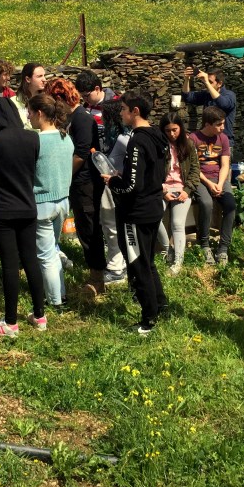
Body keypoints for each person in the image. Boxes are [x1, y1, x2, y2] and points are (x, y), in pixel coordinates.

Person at [0, 98, 48, 336]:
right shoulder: (33, 137)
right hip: (27, 205)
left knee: (10, 264)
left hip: (2, 208)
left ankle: (11, 322)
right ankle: (39, 315)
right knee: (31, 260)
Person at [103, 92, 170, 334]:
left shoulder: (138, 141)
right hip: (153, 207)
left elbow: (132, 184)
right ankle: (160, 303)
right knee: (148, 261)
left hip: (136, 212)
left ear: (135, 112)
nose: (121, 113)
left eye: (123, 109)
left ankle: (148, 319)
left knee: (138, 263)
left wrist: (112, 182)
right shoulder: (158, 135)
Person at [55, 76, 108, 293]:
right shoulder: (71, 118)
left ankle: (97, 277)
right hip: (77, 182)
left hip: (86, 182)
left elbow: (82, 153)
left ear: (63, 98)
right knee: (84, 227)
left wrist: (64, 176)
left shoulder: (82, 119)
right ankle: (95, 272)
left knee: (89, 228)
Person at [28, 93, 74, 310]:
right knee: (53, 250)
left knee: (46, 256)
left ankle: (56, 300)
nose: (28, 117)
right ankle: (60, 293)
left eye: (29, 112)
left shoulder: (36, 140)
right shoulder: (66, 138)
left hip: (42, 202)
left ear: (39, 113)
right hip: (63, 201)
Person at [191, 106, 237, 266]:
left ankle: (223, 248)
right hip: (200, 179)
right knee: (206, 203)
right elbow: (194, 167)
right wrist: (210, 184)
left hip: (219, 178)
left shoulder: (223, 138)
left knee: (231, 205)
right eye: (219, 124)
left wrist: (219, 184)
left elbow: (225, 165)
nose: (223, 127)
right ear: (207, 124)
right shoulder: (194, 139)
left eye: (223, 123)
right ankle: (204, 244)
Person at [157, 112, 200, 276]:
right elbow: (152, 171)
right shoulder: (159, 145)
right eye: (168, 130)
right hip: (162, 188)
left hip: (182, 188)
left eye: (175, 129)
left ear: (180, 128)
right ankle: (169, 250)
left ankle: (178, 262)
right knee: (153, 218)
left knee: (177, 223)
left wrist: (187, 190)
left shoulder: (188, 144)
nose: (172, 134)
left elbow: (195, 170)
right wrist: (162, 190)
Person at [97, 100, 129, 285]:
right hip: (116, 182)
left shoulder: (122, 138)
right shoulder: (122, 135)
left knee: (111, 226)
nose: (102, 119)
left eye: (105, 116)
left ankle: (117, 268)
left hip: (114, 183)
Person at [181, 65, 237, 145]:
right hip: (206, 141)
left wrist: (207, 82)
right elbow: (187, 97)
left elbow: (223, 104)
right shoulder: (207, 94)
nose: (206, 84)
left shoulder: (230, 95)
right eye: (206, 81)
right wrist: (187, 80)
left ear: (219, 83)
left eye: (210, 82)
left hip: (223, 142)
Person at [74, 70, 116, 151]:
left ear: (97, 89)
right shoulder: (86, 105)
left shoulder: (114, 105)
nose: (84, 99)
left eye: (86, 96)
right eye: (82, 96)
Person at [12, 63, 47, 128]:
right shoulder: (13, 102)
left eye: (44, 75)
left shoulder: (47, 101)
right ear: (28, 79)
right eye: (39, 76)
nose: (44, 80)